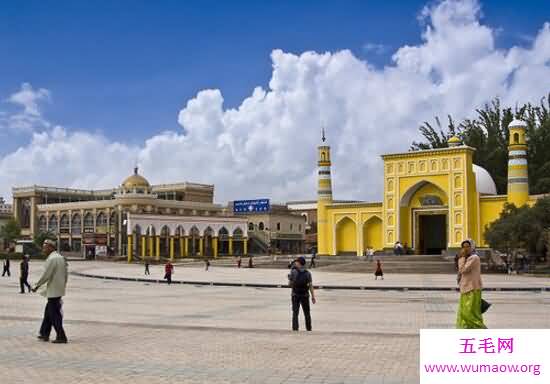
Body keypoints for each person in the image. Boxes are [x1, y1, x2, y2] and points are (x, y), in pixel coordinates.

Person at [32, 239, 68, 343]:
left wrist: (36, 285)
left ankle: (61, 336)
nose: (43, 249)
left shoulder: (52, 259)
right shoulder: (61, 258)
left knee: (54, 314)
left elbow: (46, 275)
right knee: (48, 312)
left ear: (51, 247)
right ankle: (44, 333)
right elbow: (66, 275)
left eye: (45, 247)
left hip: (53, 290)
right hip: (58, 289)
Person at [456, 240, 486, 329]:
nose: (466, 249)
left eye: (468, 246)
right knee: (464, 309)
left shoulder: (474, 258)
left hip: (472, 288)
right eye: (464, 247)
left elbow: (463, 270)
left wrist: (461, 258)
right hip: (465, 287)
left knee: (470, 311)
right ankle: (467, 326)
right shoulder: (467, 258)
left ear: (472, 247)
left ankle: (478, 326)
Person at [288, 256, 316, 331]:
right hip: (305, 295)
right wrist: (313, 296)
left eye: (296, 262)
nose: (295, 263)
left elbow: (289, 284)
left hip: (295, 295)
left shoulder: (293, 272)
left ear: (299, 263)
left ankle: (295, 328)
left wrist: (290, 278)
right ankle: (309, 328)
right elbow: (310, 285)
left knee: (295, 313)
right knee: (307, 313)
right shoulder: (308, 273)